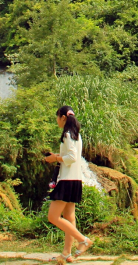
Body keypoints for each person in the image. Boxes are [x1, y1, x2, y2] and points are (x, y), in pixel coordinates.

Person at [44, 106, 92, 263]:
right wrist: (56, 156)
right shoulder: (76, 135)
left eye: (57, 116)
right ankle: (66, 253)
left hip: (67, 181)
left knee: (53, 216)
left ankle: (83, 240)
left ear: (63, 117)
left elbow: (71, 158)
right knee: (69, 217)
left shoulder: (67, 134)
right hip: (75, 179)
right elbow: (72, 156)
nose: (57, 120)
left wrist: (56, 159)